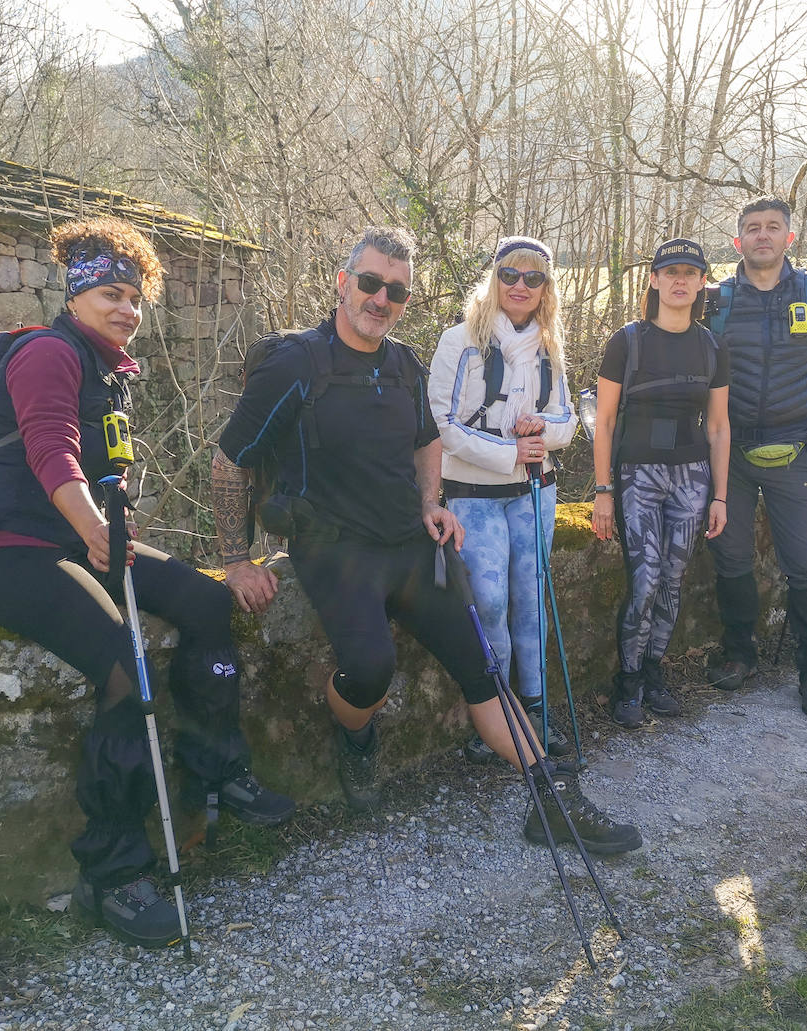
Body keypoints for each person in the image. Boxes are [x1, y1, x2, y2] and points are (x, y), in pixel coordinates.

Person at [211, 225, 641, 854]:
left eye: (396, 292)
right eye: (369, 284)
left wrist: (431, 504)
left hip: (410, 543)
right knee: (369, 670)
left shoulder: (402, 362)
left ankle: (550, 800)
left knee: (482, 667)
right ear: (343, 282)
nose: (380, 299)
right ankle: (354, 736)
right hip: (332, 550)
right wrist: (234, 559)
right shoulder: (294, 364)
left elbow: (426, 439)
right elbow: (230, 460)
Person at [0, 216, 294, 950]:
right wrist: (100, 530)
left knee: (204, 601)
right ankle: (113, 871)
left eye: (135, 298)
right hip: (1, 550)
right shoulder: (46, 353)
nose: (127, 310)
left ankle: (216, 767)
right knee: (121, 663)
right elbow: (52, 454)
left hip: (78, 539)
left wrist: (107, 533)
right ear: (75, 295)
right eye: (110, 293)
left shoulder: (110, 371)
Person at [704, 197, 807, 719]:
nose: (762, 236)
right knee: (730, 557)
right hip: (730, 453)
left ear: (789, 237)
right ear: (738, 241)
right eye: (752, 228)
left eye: (773, 227)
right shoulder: (716, 301)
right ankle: (739, 653)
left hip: (798, 451)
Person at [428, 236, 577, 762]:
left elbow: (567, 420)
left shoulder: (549, 345)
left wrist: (542, 431)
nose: (520, 286)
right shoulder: (459, 340)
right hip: (473, 493)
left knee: (531, 599)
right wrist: (511, 452)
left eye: (533, 278)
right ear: (494, 279)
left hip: (535, 491)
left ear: (545, 288)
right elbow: (441, 425)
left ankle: (536, 710)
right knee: (488, 603)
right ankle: (499, 716)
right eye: (510, 275)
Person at [590, 238, 731, 727]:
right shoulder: (627, 342)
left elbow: (718, 426)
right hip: (638, 476)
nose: (680, 280)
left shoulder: (712, 345)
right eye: (670, 271)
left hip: (692, 477)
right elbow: (604, 422)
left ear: (701, 283)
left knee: (672, 581)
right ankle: (626, 683)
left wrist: (720, 496)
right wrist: (602, 491)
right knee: (645, 579)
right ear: (653, 279)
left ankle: (655, 674)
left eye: (690, 273)